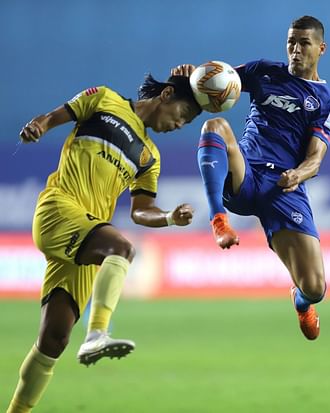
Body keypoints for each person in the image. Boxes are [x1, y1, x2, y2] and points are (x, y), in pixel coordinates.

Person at [6, 73, 201, 413]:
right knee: (121, 249)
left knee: (53, 340)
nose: (178, 124)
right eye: (181, 114)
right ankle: (97, 334)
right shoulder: (104, 99)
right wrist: (38, 127)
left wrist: (169, 217)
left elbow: (142, 211)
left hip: (85, 235)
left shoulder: (149, 157)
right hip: (58, 208)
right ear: (166, 95)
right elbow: (53, 117)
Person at [173, 15, 330, 341]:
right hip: (246, 172)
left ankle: (300, 300)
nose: (295, 49)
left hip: (283, 187)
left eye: (304, 43)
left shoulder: (327, 101)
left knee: (316, 287)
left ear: (321, 48)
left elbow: (315, 160)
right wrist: (189, 78)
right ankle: (218, 220)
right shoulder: (263, 71)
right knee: (215, 127)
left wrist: (297, 174)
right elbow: (215, 81)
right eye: (291, 41)